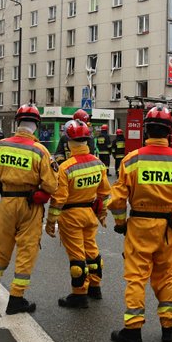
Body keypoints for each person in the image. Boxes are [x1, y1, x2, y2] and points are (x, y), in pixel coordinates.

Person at [108, 105, 172, 342]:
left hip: (139, 226)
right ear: (169, 132)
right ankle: (168, 327)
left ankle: (133, 331)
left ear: (147, 130)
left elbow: (116, 201)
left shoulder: (132, 160)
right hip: (169, 228)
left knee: (137, 277)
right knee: (166, 276)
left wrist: (120, 224)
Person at [0, 104, 58, 315]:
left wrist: (4, 186)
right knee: (27, 249)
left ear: (17, 123)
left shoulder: (0, 146)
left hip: (7, 202)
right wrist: (40, 193)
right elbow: (52, 186)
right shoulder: (40, 151)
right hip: (30, 204)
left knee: (1, 245)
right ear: (37, 125)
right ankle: (16, 299)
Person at [45, 119, 111, 308]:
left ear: (68, 142)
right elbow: (104, 193)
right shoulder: (98, 164)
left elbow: (59, 199)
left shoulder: (66, 167)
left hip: (71, 216)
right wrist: (103, 214)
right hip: (90, 213)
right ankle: (95, 287)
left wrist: (51, 222)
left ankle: (79, 295)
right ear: (87, 140)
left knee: (77, 256)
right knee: (92, 250)